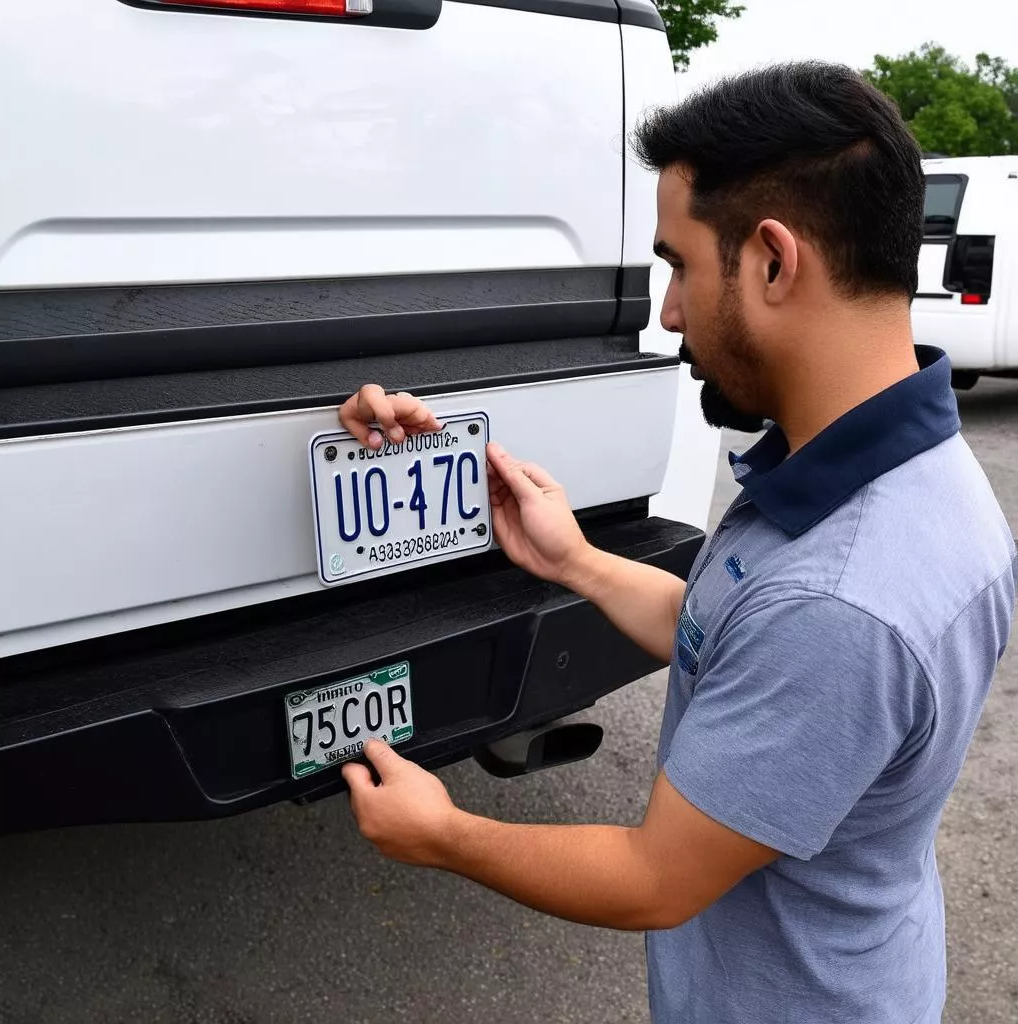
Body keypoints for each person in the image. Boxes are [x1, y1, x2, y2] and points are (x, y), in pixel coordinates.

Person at [335, 62, 1016, 1023]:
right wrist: (570, 558)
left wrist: (445, 833)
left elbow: (655, 877)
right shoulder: (899, 470)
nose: (667, 310)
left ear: (773, 262)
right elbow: (731, 640)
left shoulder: (842, 600)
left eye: (680, 265)